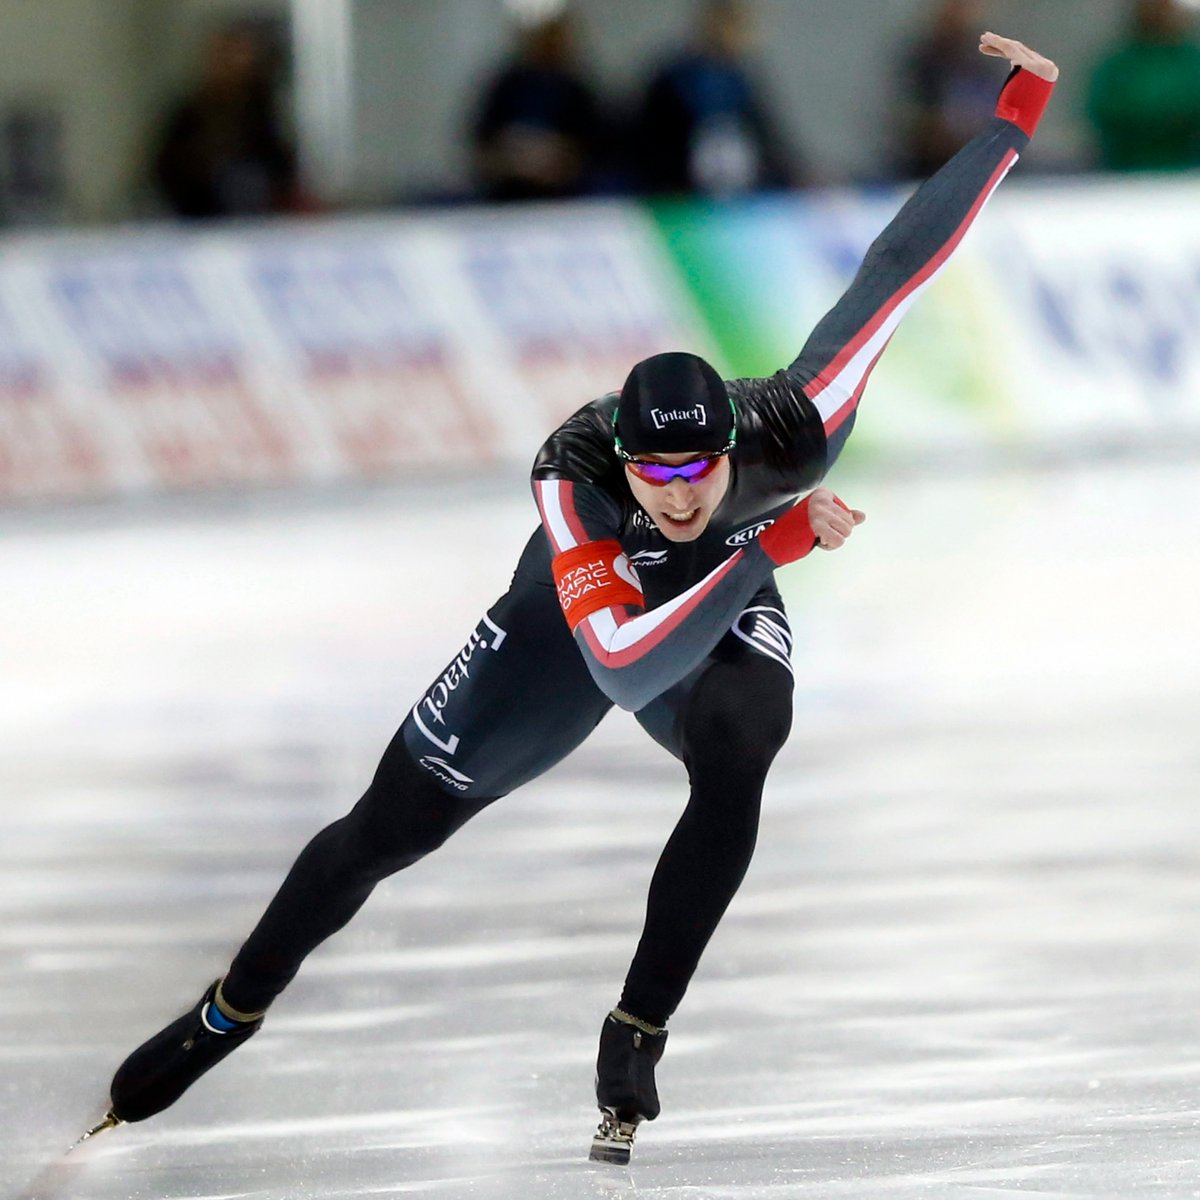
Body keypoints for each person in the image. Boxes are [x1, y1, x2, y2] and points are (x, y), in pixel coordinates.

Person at [98, 33, 1058, 1166]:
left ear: (733, 447)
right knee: (383, 833)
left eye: (702, 473)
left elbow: (900, 265)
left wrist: (1013, 117)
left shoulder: (793, 427)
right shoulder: (575, 476)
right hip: (571, 624)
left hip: (704, 618)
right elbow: (616, 660)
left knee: (746, 733)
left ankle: (637, 1029)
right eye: (658, 479)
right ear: (626, 470)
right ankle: (231, 1011)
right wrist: (769, 547)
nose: (683, 494)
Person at [631, 0, 800, 197]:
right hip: (680, 191)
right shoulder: (674, 78)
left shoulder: (740, 79)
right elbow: (650, 140)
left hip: (741, 191)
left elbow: (769, 135)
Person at [153, 23, 299, 220]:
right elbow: (167, 169)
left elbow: (279, 165)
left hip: (256, 219)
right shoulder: (188, 113)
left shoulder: (259, 111)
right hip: (197, 216)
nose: (232, 64)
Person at [471, 10, 607, 202]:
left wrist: (557, 159)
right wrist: (518, 157)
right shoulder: (505, 87)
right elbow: (481, 150)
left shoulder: (578, 90)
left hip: (571, 198)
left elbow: (598, 151)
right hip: (506, 196)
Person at [1086, 0, 1200, 172]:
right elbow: (1102, 109)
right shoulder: (1118, 64)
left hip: (1186, 169)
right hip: (1126, 169)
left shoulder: (1193, 61)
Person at [899, 0, 1001, 178]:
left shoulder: (982, 58)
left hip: (977, 165)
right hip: (929, 169)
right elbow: (911, 119)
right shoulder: (924, 60)